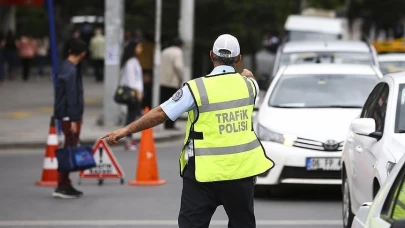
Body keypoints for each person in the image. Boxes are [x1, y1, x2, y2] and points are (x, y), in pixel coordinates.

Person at [102, 34, 274, 228]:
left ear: (211, 55)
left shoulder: (196, 88)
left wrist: (125, 130)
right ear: (238, 59)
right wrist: (246, 74)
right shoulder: (250, 86)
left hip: (203, 173)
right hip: (241, 172)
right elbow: (249, 77)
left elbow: (161, 113)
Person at [53, 38, 87, 199]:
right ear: (82, 53)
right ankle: (62, 185)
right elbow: (71, 96)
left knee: (70, 147)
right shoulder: (70, 70)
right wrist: (74, 119)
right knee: (69, 149)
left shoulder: (67, 67)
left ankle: (65, 183)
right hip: (70, 116)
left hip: (68, 115)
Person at [119, 39, 144, 151]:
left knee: (132, 115)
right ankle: (128, 140)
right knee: (131, 116)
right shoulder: (130, 62)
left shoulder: (134, 60)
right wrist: (138, 92)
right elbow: (131, 79)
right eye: (139, 47)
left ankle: (129, 138)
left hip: (135, 92)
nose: (141, 49)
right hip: (133, 93)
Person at [159, 37, 184, 130]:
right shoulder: (178, 52)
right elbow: (178, 66)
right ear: (180, 45)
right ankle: (170, 125)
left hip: (163, 81)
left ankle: (165, 124)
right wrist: (181, 77)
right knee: (174, 104)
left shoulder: (165, 51)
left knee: (165, 104)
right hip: (172, 82)